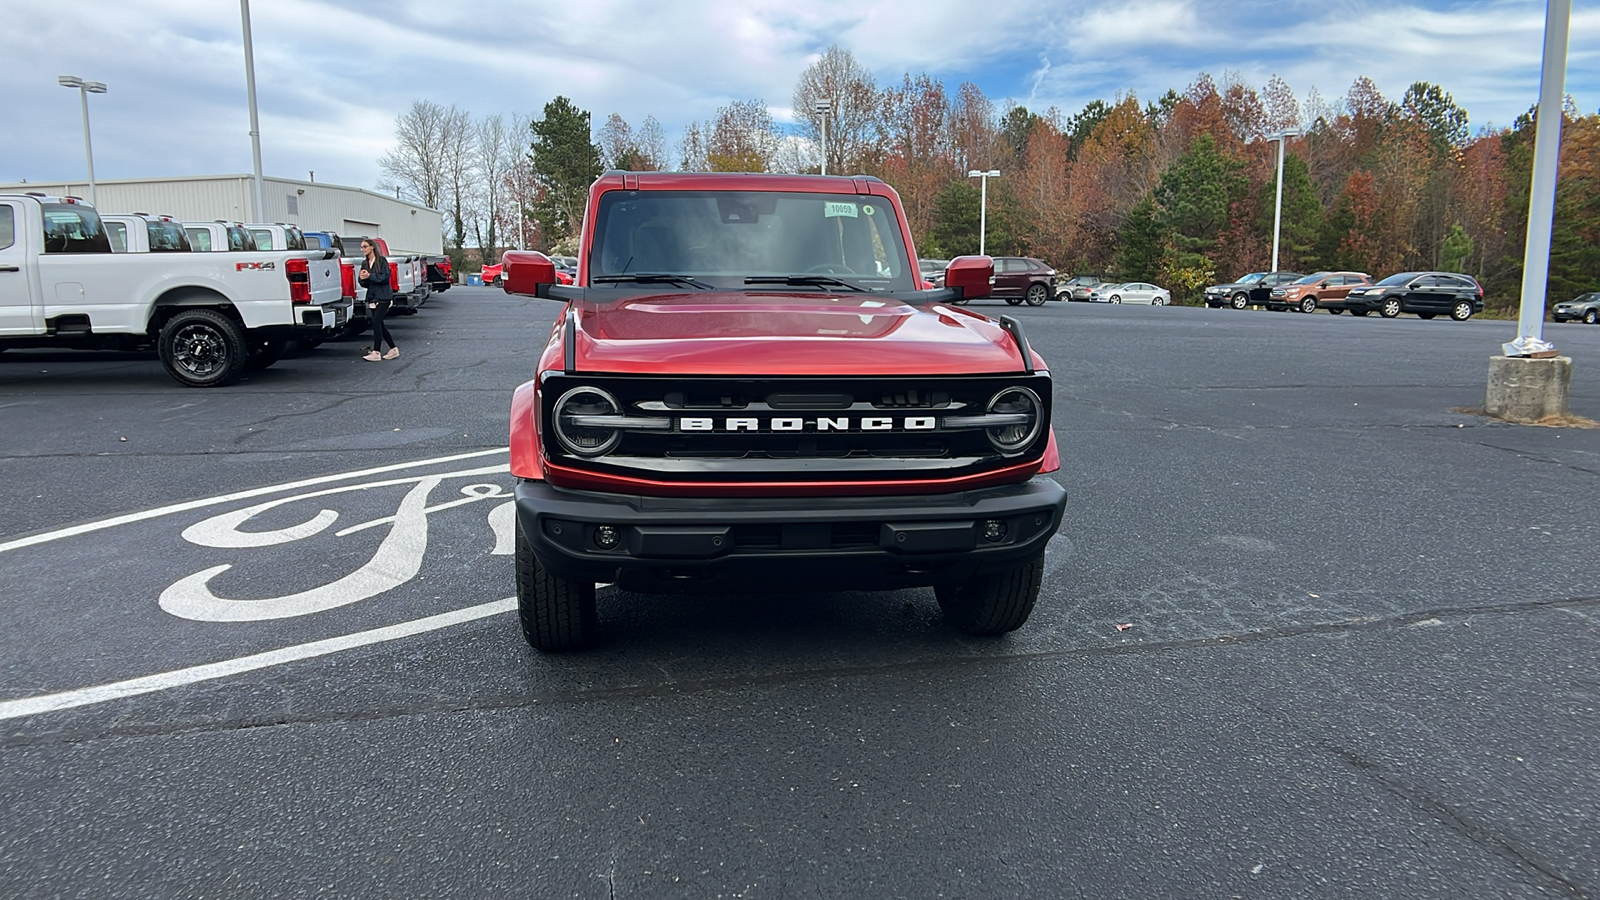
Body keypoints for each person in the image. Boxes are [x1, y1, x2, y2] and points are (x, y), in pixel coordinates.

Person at [357, 239, 399, 361]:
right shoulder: (364, 264)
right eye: (361, 247)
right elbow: (364, 283)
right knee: (379, 323)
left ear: (372, 247)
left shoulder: (382, 261)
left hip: (384, 296)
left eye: (365, 246)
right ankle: (393, 349)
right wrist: (363, 278)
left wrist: (371, 276)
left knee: (376, 322)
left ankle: (376, 351)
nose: (363, 249)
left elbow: (384, 278)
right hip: (372, 296)